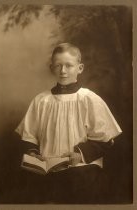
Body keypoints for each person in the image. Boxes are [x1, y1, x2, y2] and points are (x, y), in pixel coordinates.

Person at [15, 43, 122, 204]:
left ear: (80, 68)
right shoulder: (41, 100)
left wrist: (80, 154)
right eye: (58, 66)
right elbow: (29, 135)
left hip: (82, 174)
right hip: (47, 176)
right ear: (52, 68)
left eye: (68, 66)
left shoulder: (89, 99)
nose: (63, 71)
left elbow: (105, 139)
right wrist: (32, 154)